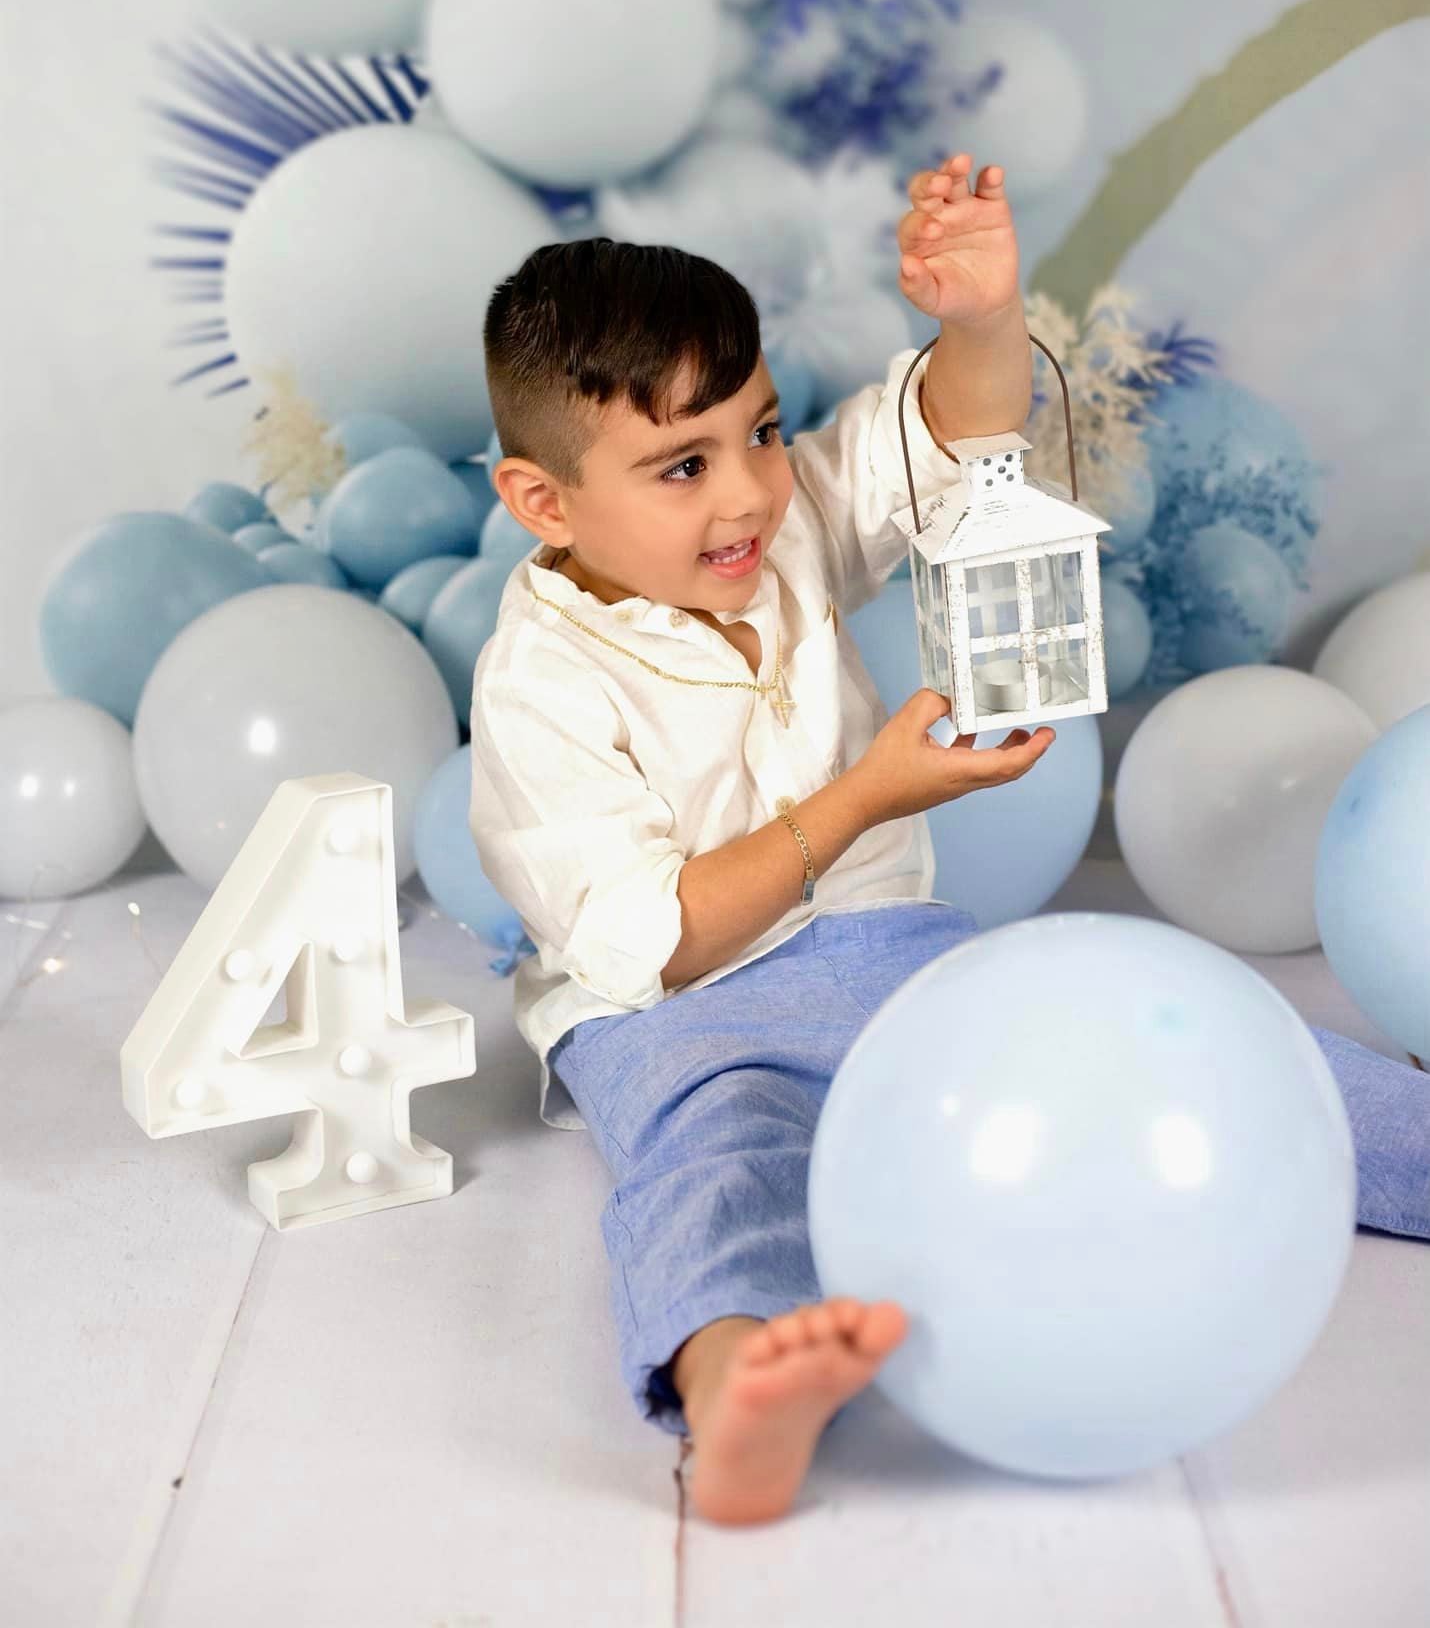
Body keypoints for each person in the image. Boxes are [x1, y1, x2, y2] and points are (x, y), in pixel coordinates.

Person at [468, 153, 1430, 1528]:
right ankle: (741, 1383)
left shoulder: (775, 520)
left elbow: (938, 438)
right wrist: (864, 795)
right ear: (544, 503)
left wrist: (978, 320)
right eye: (682, 465)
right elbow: (655, 940)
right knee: (725, 1167)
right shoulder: (536, 686)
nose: (746, 493)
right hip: (678, 1016)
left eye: (758, 428)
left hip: (892, 957)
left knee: (1184, 1043)